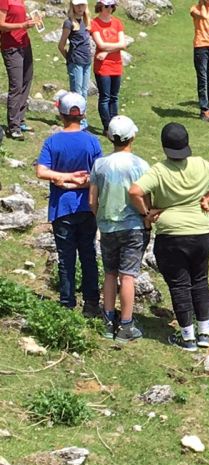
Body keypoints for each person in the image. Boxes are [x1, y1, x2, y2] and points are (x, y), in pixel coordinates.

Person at [129, 123, 209, 352]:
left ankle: (187, 337)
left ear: (164, 146)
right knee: (200, 280)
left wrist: (147, 213)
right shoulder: (201, 164)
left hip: (171, 235)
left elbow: (134, 191)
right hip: (200, 232)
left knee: (179, 285)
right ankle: (204, 332)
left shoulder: (159, 170)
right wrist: (208, 198)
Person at [34, 93, 103, 316]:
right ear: (82, 114)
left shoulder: (53, 141)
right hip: (87, 207)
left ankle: (67, 302)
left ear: (60, 114)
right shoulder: (92, 141)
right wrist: (80, 182)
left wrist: (63, 178)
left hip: (61, 208)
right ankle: (91, 303)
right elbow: (99, 174)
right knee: (88, 254)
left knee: (66, 257)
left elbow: (41, 171)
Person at [89, 115, 149, 341]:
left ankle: (107, 320)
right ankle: (126, 324)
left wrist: (101, 217)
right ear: (132, 136)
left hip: (107, 226)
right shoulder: (141, 165)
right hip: (133, 226)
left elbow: (92, 201)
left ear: (109, 136)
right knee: (128, 276)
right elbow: (146, 196)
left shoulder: (100, 165)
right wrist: (146, 215)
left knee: (110, 273)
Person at [0, 0, 35, 140]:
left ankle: (20, 120)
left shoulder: (20, 1)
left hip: (24, 44)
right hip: (11, 47)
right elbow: (1, 24)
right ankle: (13, 126)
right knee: (16, 85)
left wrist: (29, 21)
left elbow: (18, 19)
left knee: (27, 80)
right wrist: (22, 25)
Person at [91, 0, 125, 135]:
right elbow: (101, 44)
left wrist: (107, 51)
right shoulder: (95, 23)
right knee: (105, 97)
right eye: (107, 6)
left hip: (116, 64)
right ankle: (107, 126)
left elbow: (123, 43)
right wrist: (107, 49)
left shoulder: (117, 23)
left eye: (112, 6)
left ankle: (115, 125)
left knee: (114, 97)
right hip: (103, 66)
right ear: (100, 7)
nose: (110, 9)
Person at [58, 0, 92, 131]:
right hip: (76, 60)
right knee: (76, 92)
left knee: (84, 91)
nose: (80, 8)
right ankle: (75, 119)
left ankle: (82, 118)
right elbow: (61, 45)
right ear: (72, 6)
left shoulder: (86, 21)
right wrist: (69, 58)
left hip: (86, 60)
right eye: (77, 5)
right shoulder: (69, 23)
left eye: (82, 5)